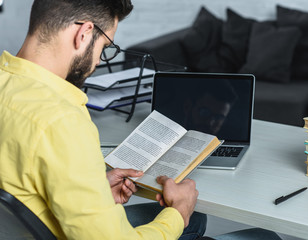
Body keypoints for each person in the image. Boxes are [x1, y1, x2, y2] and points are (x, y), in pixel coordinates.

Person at [0, 0, 281, 239]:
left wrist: (95, 186)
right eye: (105, 46)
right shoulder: (62, 120)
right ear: (84, 33)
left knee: (194, 221)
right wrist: (178, 213)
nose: (98, 60)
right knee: (262, 236)